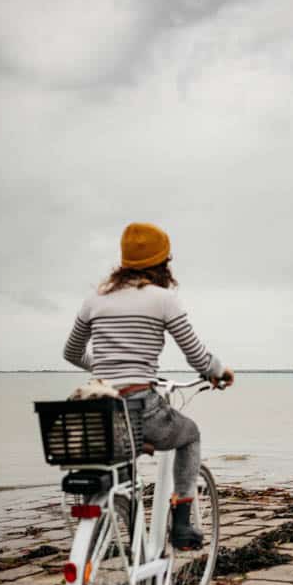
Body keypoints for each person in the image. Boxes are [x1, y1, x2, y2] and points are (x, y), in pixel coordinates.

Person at [63, 221, 234, 548]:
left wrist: (103, 366)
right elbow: (197, 357)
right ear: (162, 263)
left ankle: (120, 545)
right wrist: (218, 372)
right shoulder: (163, 299)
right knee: (190, 434)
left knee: (118, 467)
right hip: (140, 406)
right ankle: (182, 522)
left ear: (123, 262)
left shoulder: (94, 299)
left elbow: (71, 352)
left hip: (98, 408)